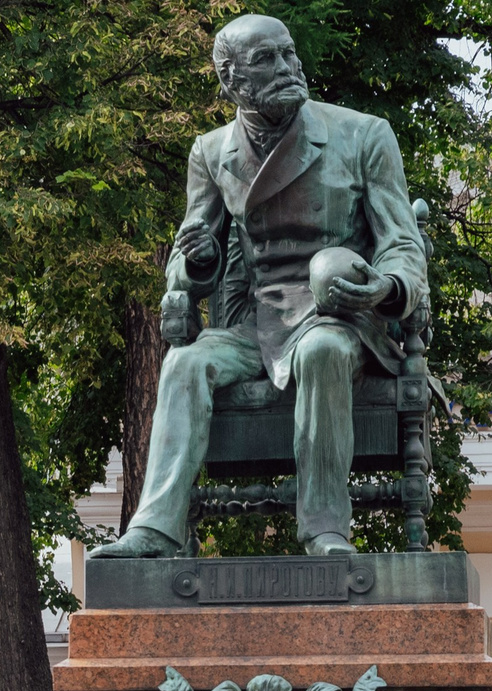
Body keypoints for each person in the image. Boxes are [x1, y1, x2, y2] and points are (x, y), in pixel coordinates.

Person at [94, 14, 428, 560]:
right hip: (259, 322)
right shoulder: (210, 152)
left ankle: (325, 529)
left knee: (321, 350)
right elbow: (186, 262)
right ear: (232, 81)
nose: (288, 68)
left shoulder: (362, 135)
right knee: (184, 364)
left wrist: (385, 288)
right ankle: (153, 529)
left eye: (289, 54)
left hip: (341, 316)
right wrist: (196, 263)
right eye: (267, 60)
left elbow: (403, 244)